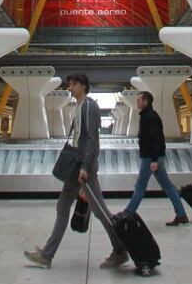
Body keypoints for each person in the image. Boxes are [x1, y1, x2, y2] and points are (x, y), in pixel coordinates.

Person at [24, 73, 129, 269]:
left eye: (72, 85)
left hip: (84, 167)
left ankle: (121, 249)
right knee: (62, 206)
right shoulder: (79, 107)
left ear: (82, 86)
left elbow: (91, 139)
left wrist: (85, 167)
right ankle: (47, 255)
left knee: (99, 210)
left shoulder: (89, 106)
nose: (69, 88)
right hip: (76, 165)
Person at [124, 91, 189, 226]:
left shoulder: (150, 117)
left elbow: (155, 139)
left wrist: (154, 160)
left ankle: (128, 214)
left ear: (146, 101)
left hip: (150, 158)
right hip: (152, 157)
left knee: (140, 187)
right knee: (168, 186)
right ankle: (182, 214)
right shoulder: (147, 116)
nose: (137, 101)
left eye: (139, 99)